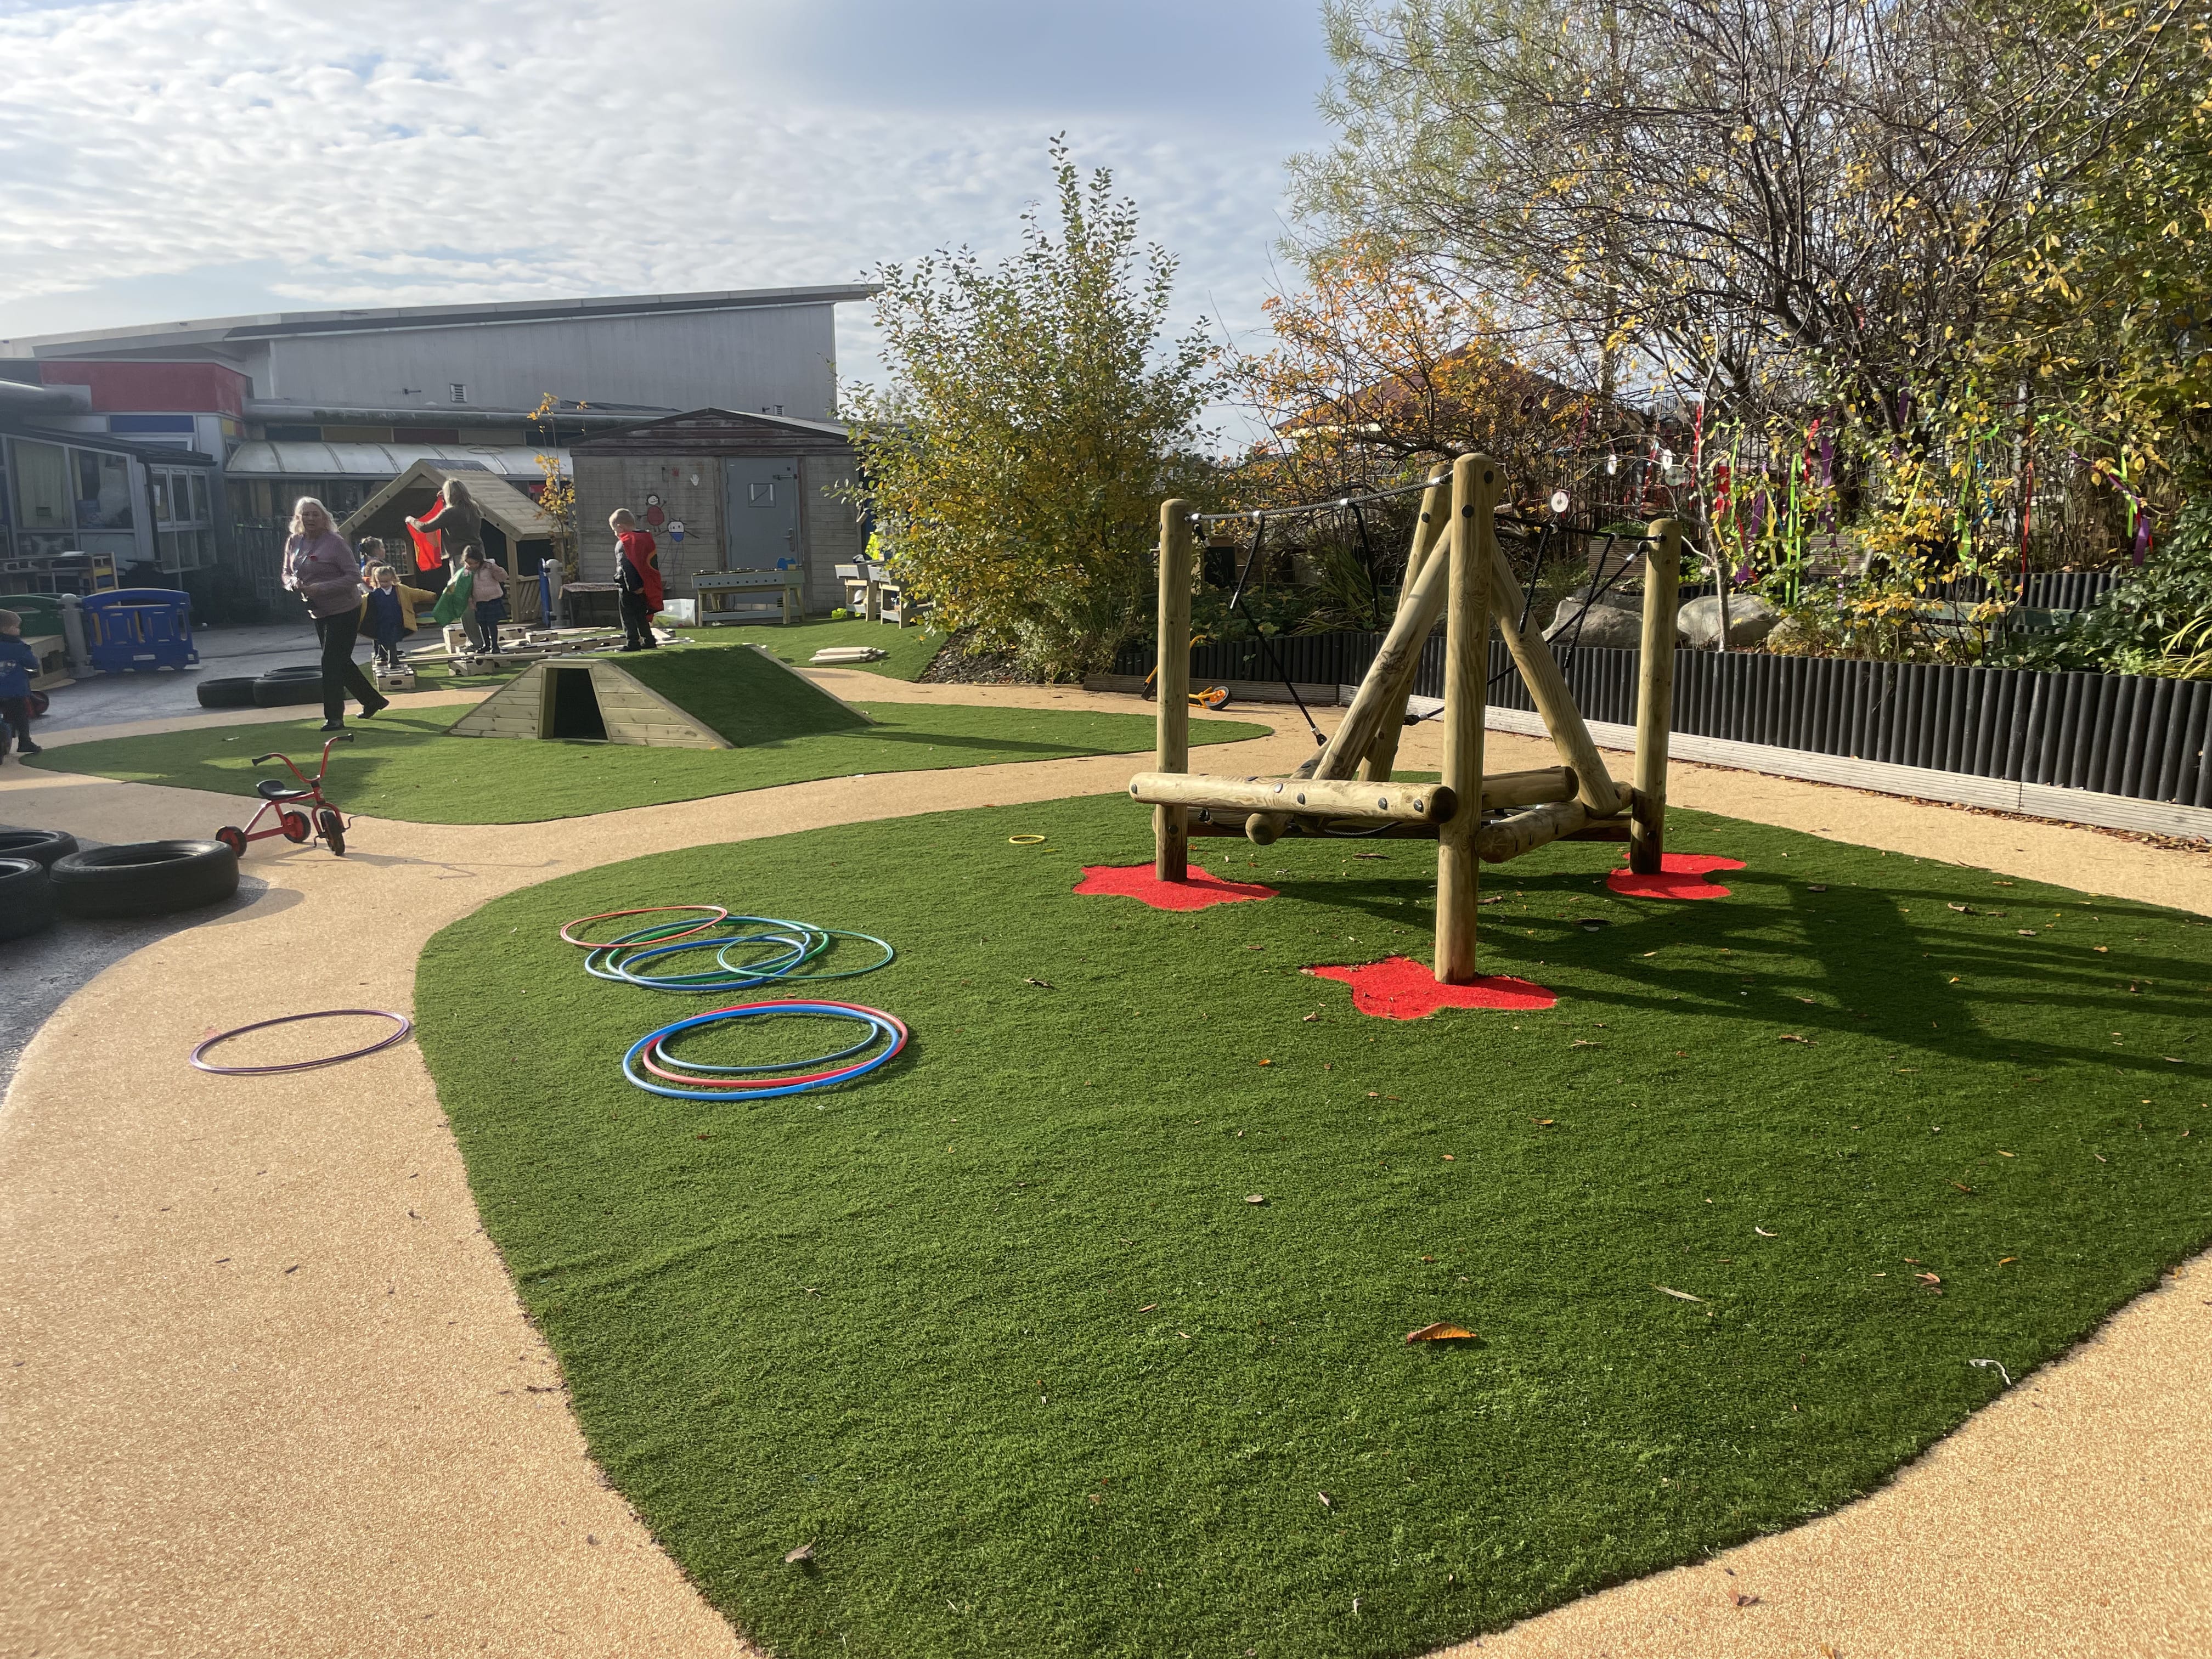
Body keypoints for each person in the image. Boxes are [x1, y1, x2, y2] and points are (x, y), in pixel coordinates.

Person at [281, 495, 386, 732]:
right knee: (340, 662)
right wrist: (292, 584)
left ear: (324, 518)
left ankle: (334, 718)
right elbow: (286, 573)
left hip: (345, 609)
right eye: (305, 514)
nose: (310, 518)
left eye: (315, 514)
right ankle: (373, 700)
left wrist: (321, 587)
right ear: (298, 518)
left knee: (330, 664)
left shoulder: (335, 543)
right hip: (317, 611)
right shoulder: (294, 542)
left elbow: (354, 577)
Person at [362, 562, 438, 670]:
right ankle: (391, 657)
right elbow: (363, 603)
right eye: (381, 582)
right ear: (376, 580)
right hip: (382, 623)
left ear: (393, 578)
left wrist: (433, 596)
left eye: (387, 581)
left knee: (391, 640)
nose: (384, 584)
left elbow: (416, 593)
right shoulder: (374, 595)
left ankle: (393, 660)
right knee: (384, 641)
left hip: (397, 621)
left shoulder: (401, 590)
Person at [404, 479, 482, 576]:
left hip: (461, 557)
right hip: (479, 554)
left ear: (449, 495)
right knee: (480, 583)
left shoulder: (449, 513)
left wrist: (411, 520)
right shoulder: (474, 508)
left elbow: (425, 527)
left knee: (460, 587)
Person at [611, 507, 662, 651]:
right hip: (645, 584)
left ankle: (632, 641)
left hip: (629, 586)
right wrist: (643, 585)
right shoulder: (646, 538)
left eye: (615, 531)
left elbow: (626, 565)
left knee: (628, 615)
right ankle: (649, 639)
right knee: (641, 614)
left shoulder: (624, 543)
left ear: (620, 527)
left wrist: (633, 586)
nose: (616, 534)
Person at [0, 610, 41, 761]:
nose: (19, 630)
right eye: (17, 627)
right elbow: (33, 664)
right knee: (20, 714)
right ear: (6, 630)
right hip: (14, 692)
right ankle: (25, 741)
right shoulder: (18, 647)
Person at [464, 546, 510, 653]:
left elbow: (502, 578)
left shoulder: (489, 568)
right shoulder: (466, 573)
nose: (471, 566)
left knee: (492, 624)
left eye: (474, 563)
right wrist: (471, 602)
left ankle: (495, 645)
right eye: (468, 563)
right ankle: (486, 645)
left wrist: (497, 569)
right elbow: (468, 590)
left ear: (479, 561)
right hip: (479, 602)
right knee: (482, 624)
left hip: (493, 600)